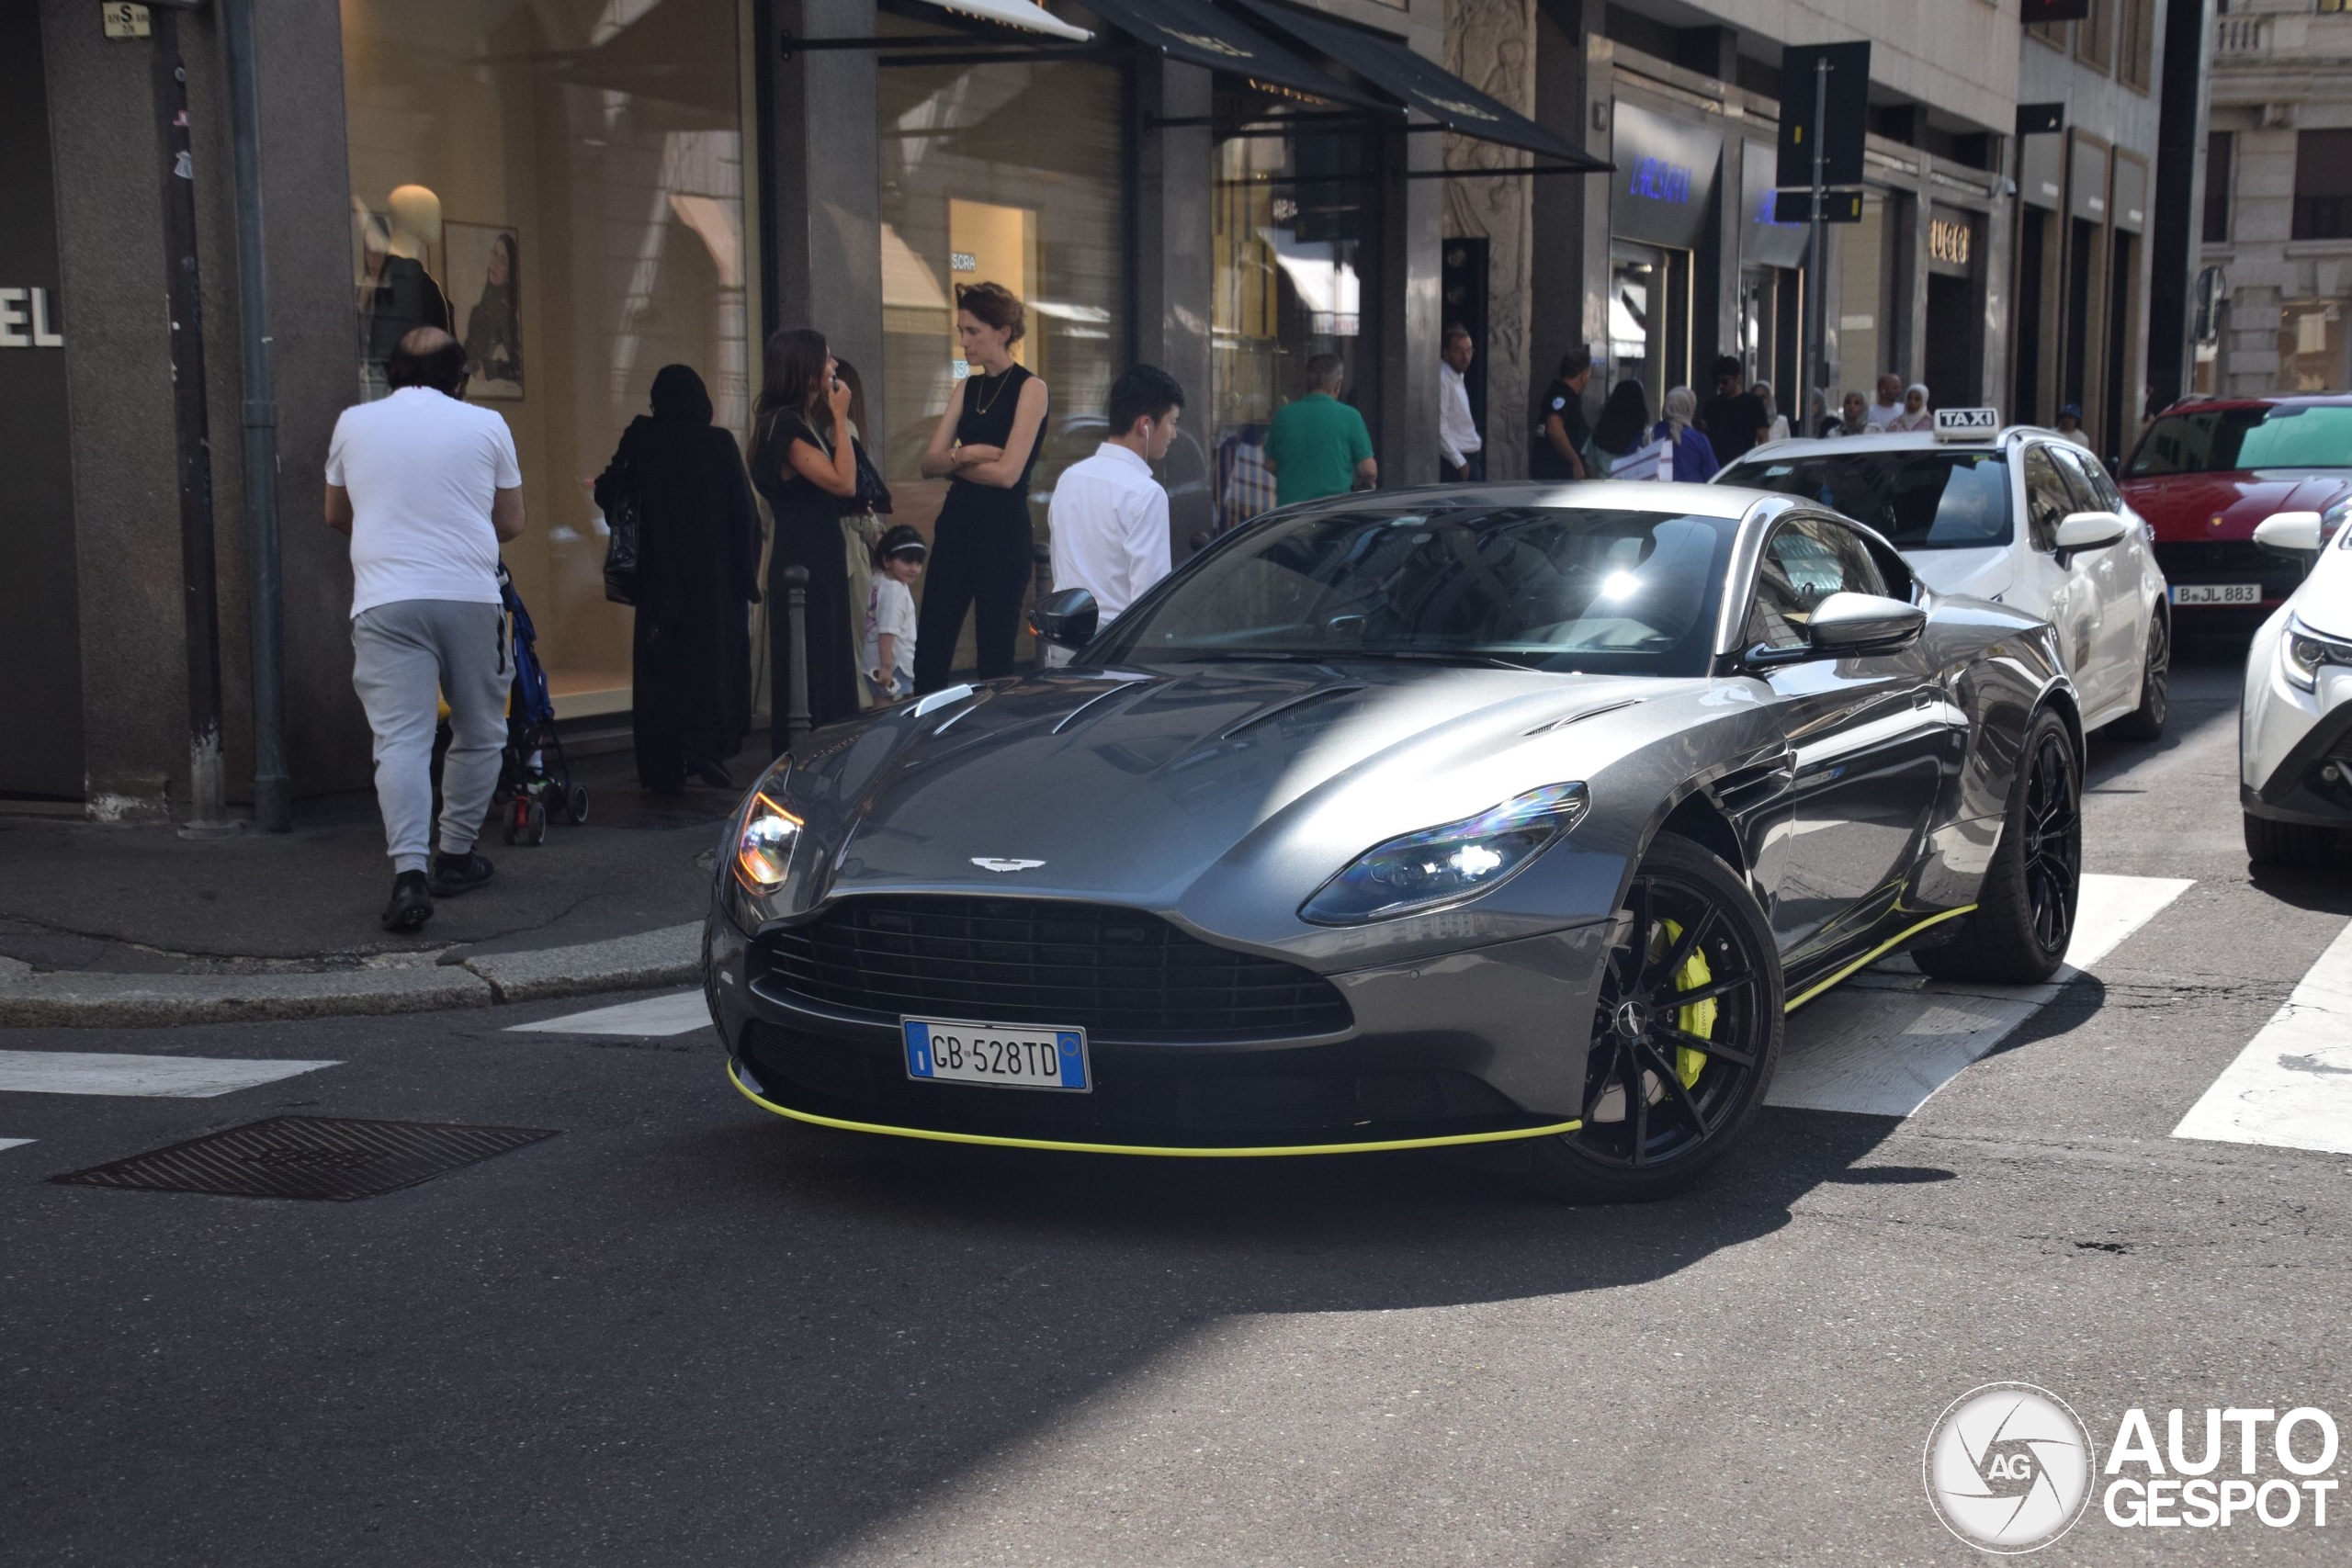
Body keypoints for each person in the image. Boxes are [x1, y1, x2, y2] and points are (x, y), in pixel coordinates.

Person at [323, 326, 521, 932]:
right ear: (461, 378)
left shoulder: (352, 423)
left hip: (385, 599)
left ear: (388, 373)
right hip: (468, 594)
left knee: (401, 741)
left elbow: (335, 513)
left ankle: (408, 873)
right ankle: (455, 855)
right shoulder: (487, 425)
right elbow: (510, 522)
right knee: (481, 728)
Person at [594, 364, 760, 795]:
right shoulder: (719, 444)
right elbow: (744, 516)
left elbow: (607, 492)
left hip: (659, 579)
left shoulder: (642, 440)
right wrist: (747, 579)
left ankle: (663, 766)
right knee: (714, 667)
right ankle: (707, 745)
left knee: (661, 674)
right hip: (715, 583)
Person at [913, 281, 1050, 694]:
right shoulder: (967, 388)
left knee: (995, 659)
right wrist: (968, 455)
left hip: (1003, 534)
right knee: (930, 654)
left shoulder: (1031, 388)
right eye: (961, 331)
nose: (964, 342)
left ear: (1002, 332)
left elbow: (1009, 473)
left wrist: (952, 464)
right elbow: (927, 463)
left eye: (972, 331)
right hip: (956, 528)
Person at [749, 327, 861, 750]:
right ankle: (816, 755)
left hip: (810, 550)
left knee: (822, 655)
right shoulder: (787, 426)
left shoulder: (788, 422)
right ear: (807, 369)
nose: (834, 367)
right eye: (827, 360)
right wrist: (839, 416)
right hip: (807, 556)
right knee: (815, 661)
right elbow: (843, 481)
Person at [1046, 365, 1183, 665]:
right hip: (1118, 647)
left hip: (1062, 640)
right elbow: (1150, 597)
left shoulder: (1070, 478)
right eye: (1172, 422)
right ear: (1145, 425)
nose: (1173, 434)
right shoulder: (1145, 493)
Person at [831, 357, 886, 703]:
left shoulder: (803, 431)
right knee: (859, 652)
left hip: (827, 552)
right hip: (848, 553)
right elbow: (857, 499)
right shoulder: (843, 430)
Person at [1262, 354, 1375, 506]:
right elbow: (1369, 470)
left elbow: (1270, 464)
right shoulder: (1350, 416)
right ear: (1337, 385)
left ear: (1306, 382)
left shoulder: (1283, 415)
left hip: (1289, 512)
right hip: (1332, 510)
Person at [863, 525, 926, 704]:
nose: (914, 569)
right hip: (894, 666)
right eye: (907, 562)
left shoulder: (879, 579)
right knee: (898, 712)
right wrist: (886, 667)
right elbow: (887, 631)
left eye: (918, 563)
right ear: (887, 561)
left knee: (881, 705)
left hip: (872, 662)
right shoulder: (895, 592)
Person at [461, 231, 522, 390]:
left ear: (510, 272)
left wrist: (490, 370)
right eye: (494, 253)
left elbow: (519, 367)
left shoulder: (504, 311)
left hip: (478, 386)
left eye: (503, 261)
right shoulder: (488, 297)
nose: (494, 263)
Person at [1530, 348, 1595, 480]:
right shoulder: (1563, 396)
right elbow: (1554, 428)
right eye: (1589, 373)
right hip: (1556, 474)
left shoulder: (1559, 393)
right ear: (1583, 375)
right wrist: (1575, 462)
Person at [1698, 355, 1770, 467]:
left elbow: (1763, 438)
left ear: (1737, 378)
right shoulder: (1711, 405)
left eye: (1725, 381)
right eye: (1717, 383)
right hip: (1716, 465)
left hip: (1743, 465)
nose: (1720, 386)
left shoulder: (1753, 404)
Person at [1438, 325, 1484, 482]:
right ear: (1446, 352)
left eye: (1469, 350)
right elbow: (1440, 428)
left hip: (1470, 457)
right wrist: (1460, 463)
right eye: (1458, 351)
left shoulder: (1458, 376)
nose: (1465, 357)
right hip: (1456, 462)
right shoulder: (1443, 378)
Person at [1650, 386, 1719, 482]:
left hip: (1656, 494)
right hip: (1692, 494)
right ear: (1689, 408)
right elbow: (1713, 476)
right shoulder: (1698, 440)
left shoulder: (1649, 436)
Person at [1588, 379, 1651, 473]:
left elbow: (1589, 467)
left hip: (1602, 486)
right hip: (1633, 486)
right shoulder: (1646, 436)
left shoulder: (1598, 433)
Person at [1753, 380, 1792, 446]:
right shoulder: (1746, 421)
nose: (1759, 401)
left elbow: (1787, 448)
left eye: (1762, 397)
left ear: (1769, 398)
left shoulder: (1781, 422)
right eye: (1755, 398)